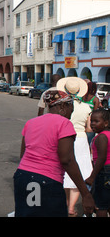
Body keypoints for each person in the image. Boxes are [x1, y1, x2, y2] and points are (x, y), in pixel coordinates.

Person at [13, 90, 95, 217]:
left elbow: (22, 154)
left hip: (23, 176)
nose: (71, 114)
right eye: (71, 108)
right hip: (46, 181)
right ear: (63, 106)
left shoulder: (31, 122)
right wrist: (85, 193)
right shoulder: (64, 123)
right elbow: (67, 160)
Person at [57, 77, 93, 216]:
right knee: (80, 173)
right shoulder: (86, 107)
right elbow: (89, 129)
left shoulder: (62, 106)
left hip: (65, 138)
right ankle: (71, 206)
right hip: (81, 139)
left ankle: (67, 203)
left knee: (65, 171)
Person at [86, 108, 110, 217]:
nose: (92, 124)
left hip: (104, 172)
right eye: (91, 121)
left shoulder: (101, 137)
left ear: (106, 123)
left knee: (101, 205)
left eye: (96, 121)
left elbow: (101, 158)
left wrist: (92, 177)